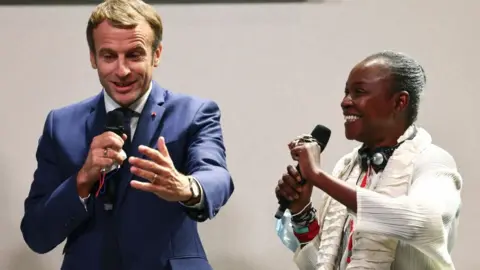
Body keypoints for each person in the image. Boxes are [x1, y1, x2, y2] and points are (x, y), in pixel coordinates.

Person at [20, 0, 234, 269]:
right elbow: (37, 234)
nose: (121, 71)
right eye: (109, 56)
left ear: (156, 55)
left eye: (134, 55)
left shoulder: (194, 112)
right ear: (92, 57)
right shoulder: (60, 125)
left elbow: (217, 175)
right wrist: (82, 179)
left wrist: (186, 188)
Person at [275, 51, 462, 270]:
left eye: (359, 92)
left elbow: (421, 222)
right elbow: (321, 265)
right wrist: (301, 211)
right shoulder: (348, 167)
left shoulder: (432, 161)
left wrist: (318, 177)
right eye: (346, 92)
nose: (345, 102)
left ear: (399, 102)